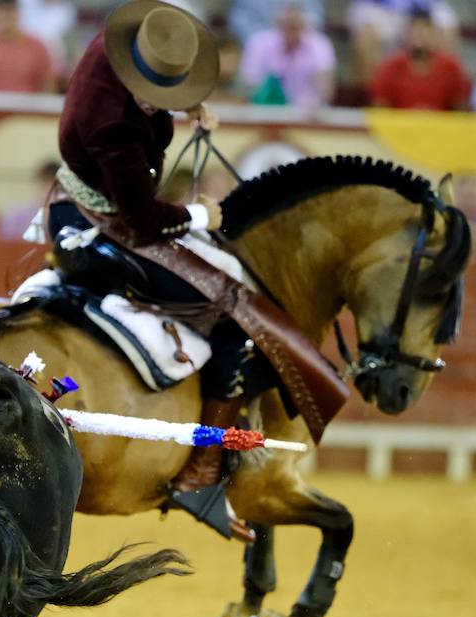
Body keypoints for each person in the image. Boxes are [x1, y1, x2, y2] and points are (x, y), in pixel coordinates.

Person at [52, 0, 348, 494]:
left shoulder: (114, 49)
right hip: (101, 226)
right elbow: (143, 221)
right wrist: (199, 216)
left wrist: (182, 103)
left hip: (79, 207)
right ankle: (206, 463)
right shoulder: (112, 126)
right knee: (230, 311)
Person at [239, 1, 337, 109]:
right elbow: (248, 85)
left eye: (294, 25)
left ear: (304, 24)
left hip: (307, 113)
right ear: (277, 22)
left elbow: (326, 88)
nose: (290, 28)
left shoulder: (320, 44)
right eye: (287, 24)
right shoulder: (258, 43)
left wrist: (317, 100)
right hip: (266, 111)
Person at [369, 9, 471, 109]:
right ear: (406, 33)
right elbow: (380, 109)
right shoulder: (390, 68)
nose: (420, 33)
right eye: (414, 28)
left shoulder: (451, 68)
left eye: (425, 28)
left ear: (434, 33)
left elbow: (461, 111)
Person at [349, 0, 459, 81]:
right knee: (366, 36)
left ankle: (436, 95)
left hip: (424, 6)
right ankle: (378, 96)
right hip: (379, 6)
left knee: (447, 28)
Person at [229, 0, 325, 46]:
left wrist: (295, 23)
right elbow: (239, 21)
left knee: (321, 46)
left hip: (300, 45)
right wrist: (268, 41)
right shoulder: (259, 43)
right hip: (261, 46)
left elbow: (317, 19)